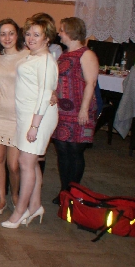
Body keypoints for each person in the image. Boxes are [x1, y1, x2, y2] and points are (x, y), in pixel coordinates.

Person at [2, 16, 59, 229]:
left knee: (25, 163)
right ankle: (35, 206)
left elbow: (45, 95)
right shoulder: (31, 56)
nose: (31, 38)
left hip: (38, 117)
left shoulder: (46, 60)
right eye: (28, 34)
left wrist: (34, 126)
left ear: (47, 38)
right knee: (31, 163)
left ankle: (20, 211)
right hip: (26, 115)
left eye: (37, 35)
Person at [51, 17, 99, 203]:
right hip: (63, 110)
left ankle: (73, 191)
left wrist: (84, 109)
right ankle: (64, 191)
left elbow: (91, 83)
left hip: (80, 109)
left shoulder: (86, 54)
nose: (59, 33)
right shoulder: (64, 54)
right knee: (62, 150)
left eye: (62, 30)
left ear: (71, 32)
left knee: (75, 151)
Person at [0, 19, 28, 215]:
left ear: (17, 35)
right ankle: (2, 199)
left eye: (11, 33)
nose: (7, 37)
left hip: (18, 115)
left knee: (13, 165)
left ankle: (16, 196)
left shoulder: (27, 55)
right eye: (3, 34)